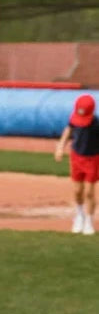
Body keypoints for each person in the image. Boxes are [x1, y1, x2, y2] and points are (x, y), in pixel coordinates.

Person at [54, 92, 99, 235]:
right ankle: (79, 215)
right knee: (77, 191)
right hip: (76, 157)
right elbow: (68, 130)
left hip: (92, 159)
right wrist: (60, 146)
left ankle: (89, 220)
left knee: (89, 192)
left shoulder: (96, 124)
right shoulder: (74, 119)